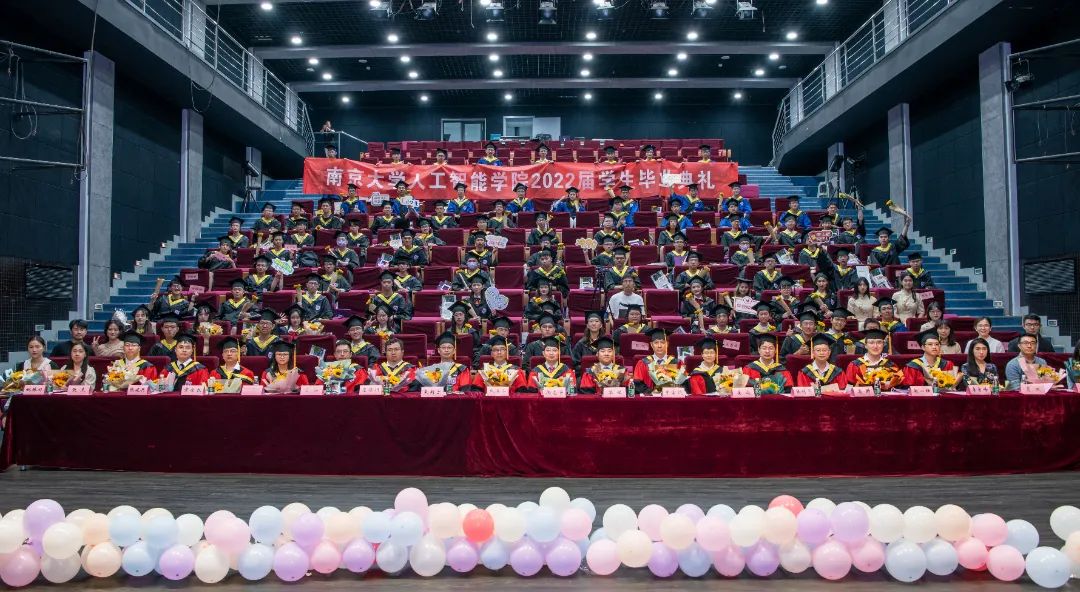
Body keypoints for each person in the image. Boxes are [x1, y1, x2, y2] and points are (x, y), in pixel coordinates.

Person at [632, 328, 682, 394]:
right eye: (656, 343)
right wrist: (651, 392)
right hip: (650, 398)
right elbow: (638, 384)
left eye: (662, 342)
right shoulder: (643, 363)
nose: (659, 346)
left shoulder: (677, 363)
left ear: (667, 344)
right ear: (651, 345)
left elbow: (683, 383)